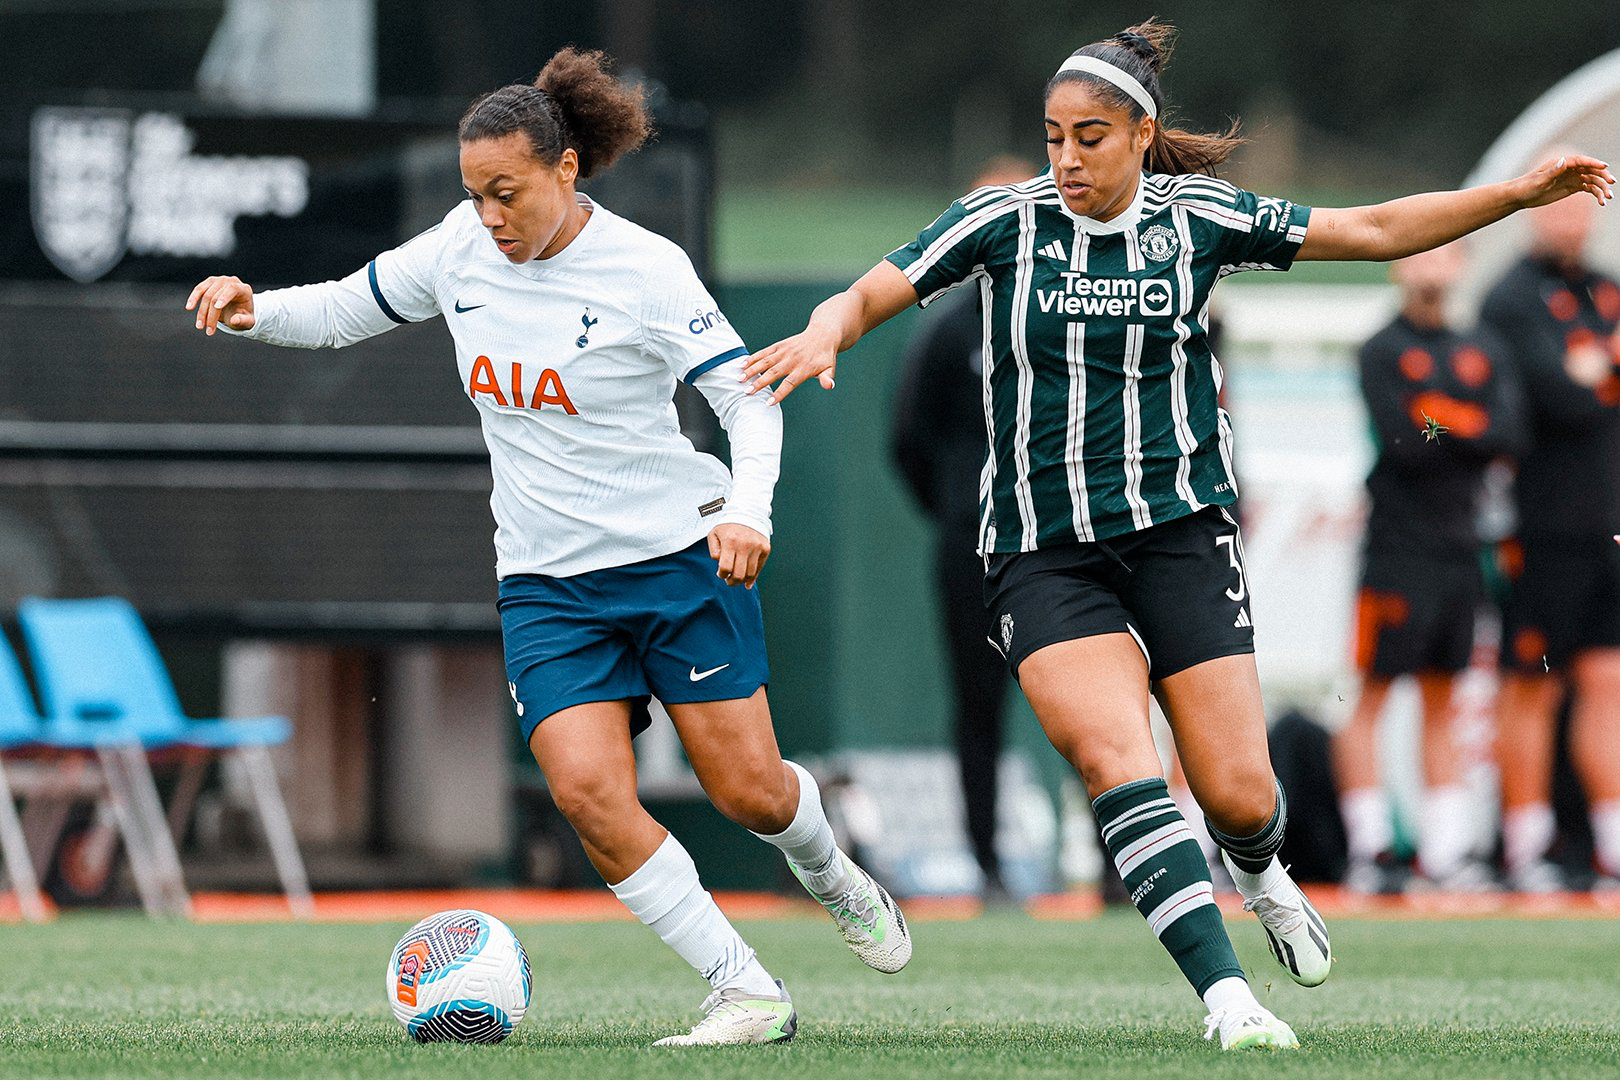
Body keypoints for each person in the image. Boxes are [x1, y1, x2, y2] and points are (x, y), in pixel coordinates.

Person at [741, 19, 1612, 1051]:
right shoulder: (1001, 223)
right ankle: (1226, 998)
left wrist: (1514, 198)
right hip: (1041, 551)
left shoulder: (1197, 219)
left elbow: (1373, 229)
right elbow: (872, 291)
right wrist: (825, 332)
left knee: (1245, 797)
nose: (1066, 159)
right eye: (1055, 136)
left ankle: (1260, 868)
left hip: (1179, 538)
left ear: (1143, 135)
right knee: (1120, 759)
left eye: (1091, 138)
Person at [184, 47, 911, 1047]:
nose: (489, 216)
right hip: (544, 582)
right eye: (475, 194)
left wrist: (751, 511)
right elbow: (346, 308)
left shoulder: (646, 268)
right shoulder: (458, 250)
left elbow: (745, 398)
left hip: (674, 561)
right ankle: (744, 989)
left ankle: (831, 870)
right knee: (587, 794)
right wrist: (254, 308)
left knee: (749, 791)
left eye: (508, 193)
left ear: (566, 173)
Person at [1332, 243, 1522, 895]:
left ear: (1463, 265)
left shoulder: (1484, 347)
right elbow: (1404, 440)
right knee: (1373, 696)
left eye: (1446, 257)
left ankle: (1445, 855)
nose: (1432, 268)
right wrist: (1458, 427)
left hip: (1461, 548)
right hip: (1396, 548)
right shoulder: (1381, 347)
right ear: (1400, 265)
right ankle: (1372, 849)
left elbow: (1507, 434)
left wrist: (1442, 418)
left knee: (1444, 697)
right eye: (1422, 257)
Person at [892, 154, 1035, 904]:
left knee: (1095, 707)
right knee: (977, 705)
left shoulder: (1067, 319)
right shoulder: (949, 333)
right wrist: (960, 511)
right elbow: (907, 441)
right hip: (972, 550)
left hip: (1065, 543)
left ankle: (1122, 865)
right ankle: (988, 864)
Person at [1481, 187, 1620, 892]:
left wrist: (1595, 371)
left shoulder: (1605, 290)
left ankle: (1608, 844)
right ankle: (1525, 845)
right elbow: (1560, 397)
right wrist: (1594, 375)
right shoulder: (1509, 298)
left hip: (1607, 527)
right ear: (1538, 211)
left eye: (1581, 207)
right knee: (1531, 685)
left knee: (1607, 681)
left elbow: (1589, 384)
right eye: (1559, 206)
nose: (1571, 219)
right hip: (1538, 528)